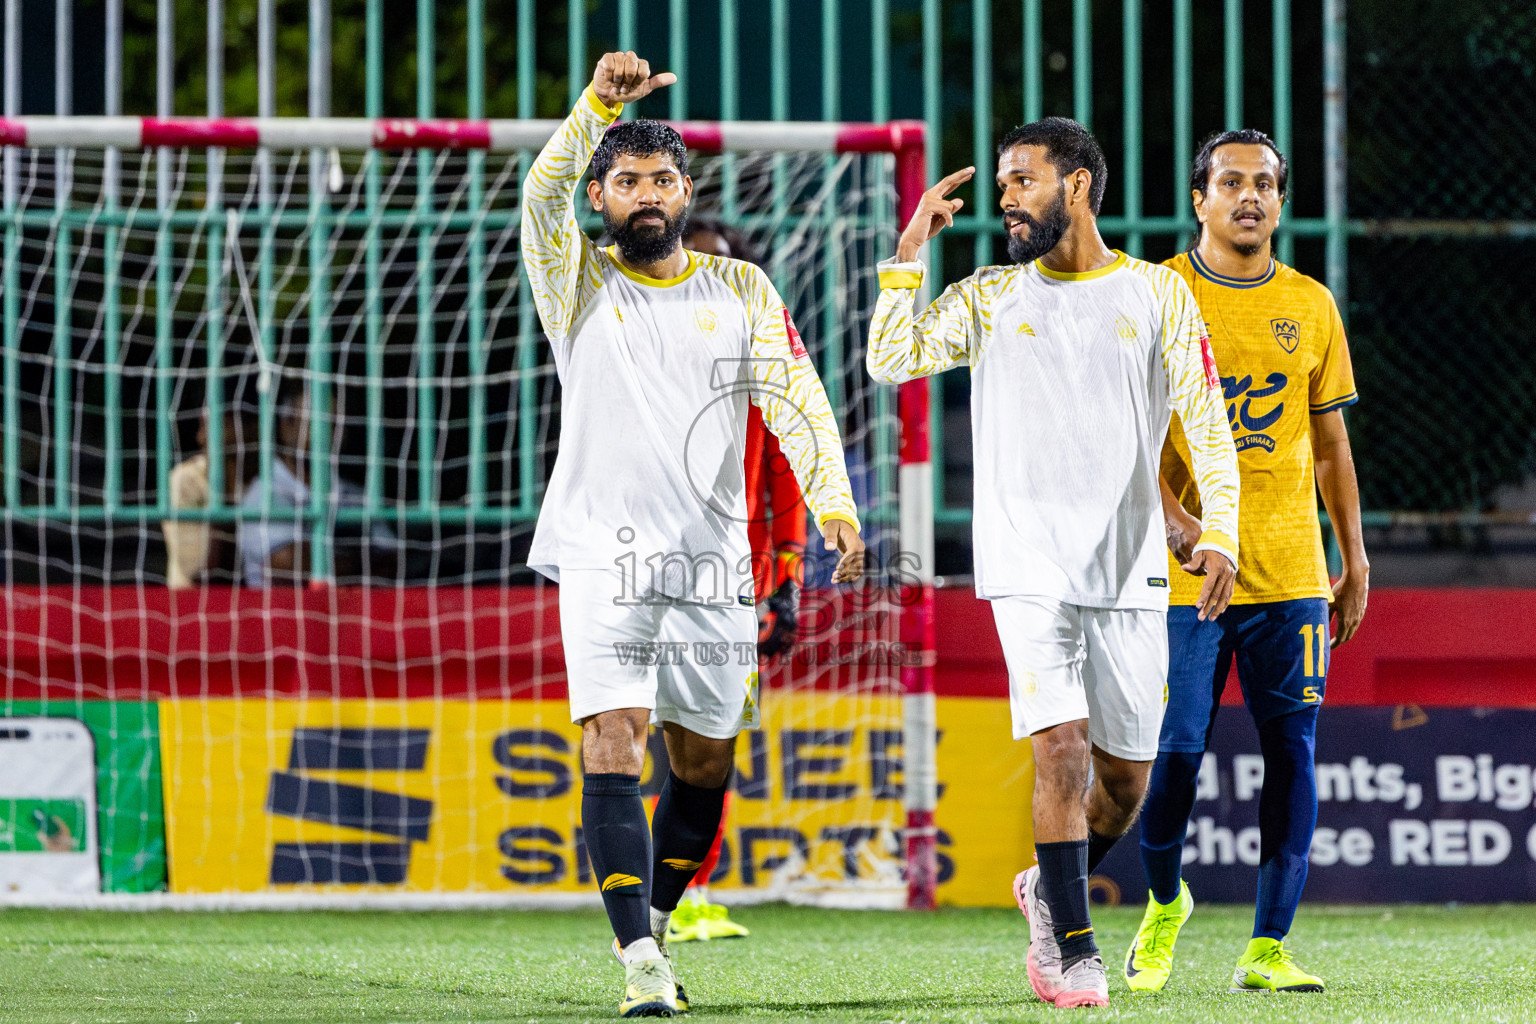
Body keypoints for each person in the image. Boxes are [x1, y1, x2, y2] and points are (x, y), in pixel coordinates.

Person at [866, 117, 1241, 1009]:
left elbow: (1209, 427)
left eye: (1022, 181)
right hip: (1025, 565)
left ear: (1076, 185)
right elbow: (890, 359)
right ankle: (1075, 954)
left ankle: (1045, 889)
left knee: (1127, 780)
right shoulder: (989, 295)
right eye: (1002, 183)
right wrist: (908, 256)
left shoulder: (1157, 295)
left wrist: (1219, 530)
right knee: (1062, 753)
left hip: (1128, 566)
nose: (1005, 199)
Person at [521, 52, 865, 1017]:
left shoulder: (741, 289)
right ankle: (637, 961)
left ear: (686, 191)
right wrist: (598, 106)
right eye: (624, 181)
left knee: (705, 764)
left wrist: (831, 502)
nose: (644, 195)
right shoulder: (573, 280)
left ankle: (659, 922)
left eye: (661, 180)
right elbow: (541, 188)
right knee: (612, 741)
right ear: (602, 197)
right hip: (602, 552)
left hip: (713, 565)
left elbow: (798, 401)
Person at [1125, 129, 1368, 995]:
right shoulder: (1155, 293)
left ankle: (1268, 947)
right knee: (1176, 750)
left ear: (1280, 198)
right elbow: (1125, 432)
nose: (1249, 196)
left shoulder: (1310, 304)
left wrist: (1355, 556)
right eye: (1231, 182)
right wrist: (1175, 516)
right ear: (1200, 199)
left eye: (1264, 183)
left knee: (1292, 754)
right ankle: (1163, 903)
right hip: (1183, 575)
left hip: (1293, 575)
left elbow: (1331, 444)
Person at [655, 221, 809, 944]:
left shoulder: (754, 361)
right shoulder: (640, 356)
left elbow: (785, 464)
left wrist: (786, 573)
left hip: (732, 583)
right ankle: (646, 909)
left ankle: (690, 892)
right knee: (633, 735)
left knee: (712, 742)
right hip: (640, 571)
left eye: (720, 268)